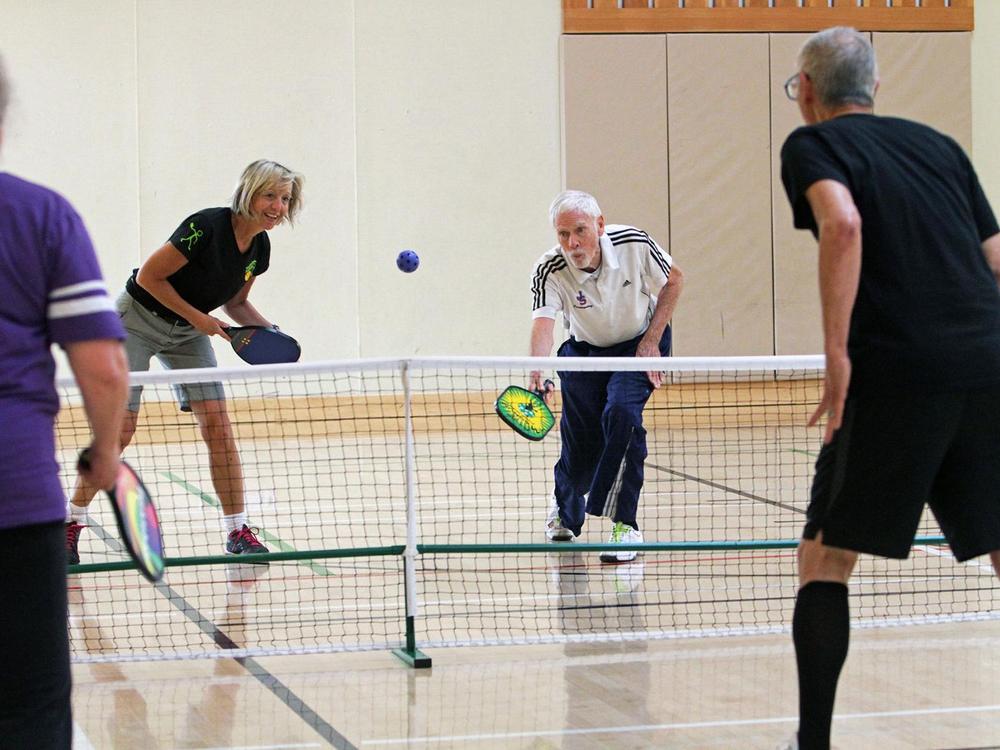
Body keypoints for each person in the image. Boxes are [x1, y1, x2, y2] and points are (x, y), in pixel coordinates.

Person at [779, 27, 1000, 750]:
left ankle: (813, 743)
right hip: (986, 363)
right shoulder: (941, 147)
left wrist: (837, 352)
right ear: (876, 87)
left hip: (897, 372)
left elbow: (842, 223)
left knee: (825, 557)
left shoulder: (813, 146)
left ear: (808, 89)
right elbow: (997, 258)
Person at [66, 159, 304, 563]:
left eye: (284, 199)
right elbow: (149, 278)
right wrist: (200, 320)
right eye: (270, 195)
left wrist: (270, 332)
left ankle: (237, 531)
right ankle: (69, 522)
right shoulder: (205, 227)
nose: (278, 206)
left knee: (217, 423)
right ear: (249, 192)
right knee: (120, 430)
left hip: (189, 333)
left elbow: (237, 303)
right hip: (137, 320)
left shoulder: (259, 248)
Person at [0, 54, 129, 748]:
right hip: (14, 504)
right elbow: (106, 368)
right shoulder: (41, 215)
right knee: (27, 712)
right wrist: (103, 456)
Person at [529, 190, 683, 562]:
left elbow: (674, 281)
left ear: (599, 225)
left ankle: (625, 525)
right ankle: (566, 511)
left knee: (623, 416)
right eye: (563, 234)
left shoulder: (633, 243)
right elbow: (544, 326)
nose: (572, 243)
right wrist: (537, 369)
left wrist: (651, 342)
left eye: (579, 231)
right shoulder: (550, 268)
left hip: (637, 346)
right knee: (581, 445)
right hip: (585, 354)